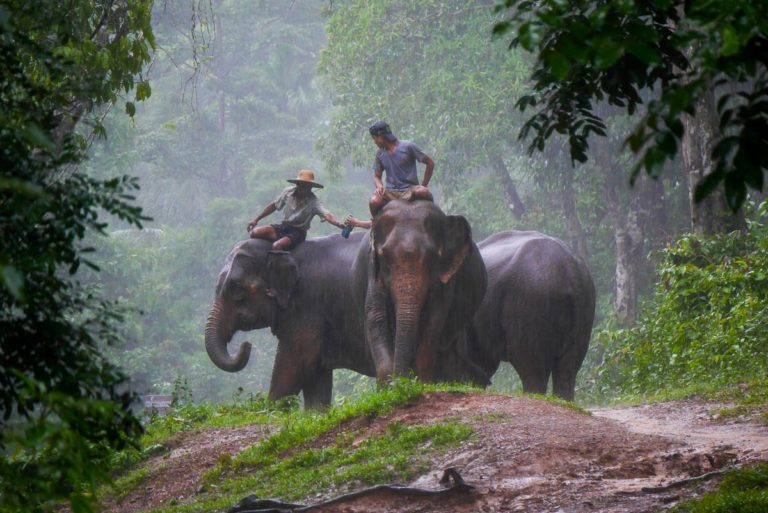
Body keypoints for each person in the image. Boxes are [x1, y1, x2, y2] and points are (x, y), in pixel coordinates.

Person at [247, 169, 345, 250]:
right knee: (255, 233)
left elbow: (327, 214)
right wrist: (256, 219)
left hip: (298, 232)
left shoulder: (314, 202)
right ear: (297, 184)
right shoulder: (288, 192)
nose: (303, 187)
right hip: (283, 227)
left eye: (307, 185)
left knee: (277, 246)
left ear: (311, 187)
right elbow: (274, 205)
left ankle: (281, 267)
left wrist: (338, 223)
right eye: (301, 184)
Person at [367, 121, 435, 217]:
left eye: (374, 138)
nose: (374, 142)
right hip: (390, 192)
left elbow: (430, 163)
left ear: (381, 137)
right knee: (374, 201)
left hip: (410, 190)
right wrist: (379, 186)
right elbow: (377, 177)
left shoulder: (408, 146)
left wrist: (424, 185)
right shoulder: (380, 154)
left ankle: (432, 217)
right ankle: (375, 226)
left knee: (423, 192)